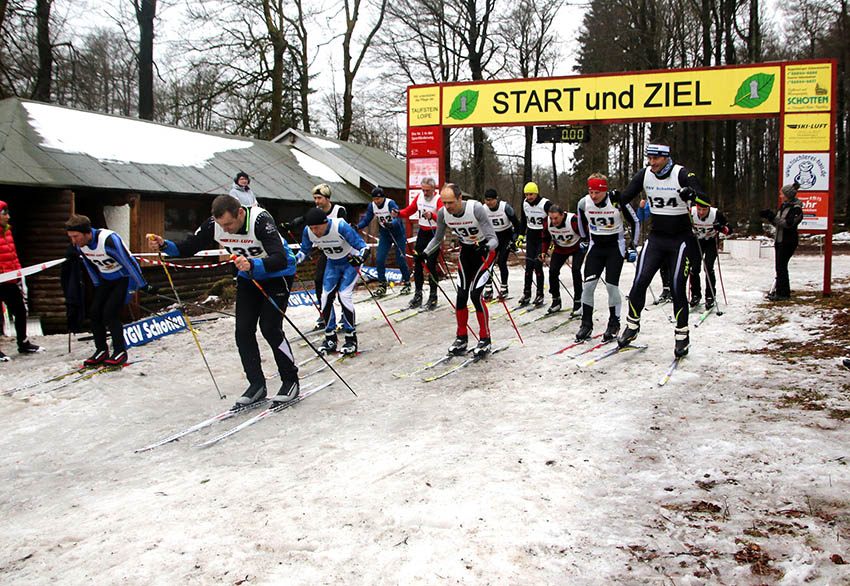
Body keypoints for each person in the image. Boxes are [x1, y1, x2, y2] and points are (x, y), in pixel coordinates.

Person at [148, 195, 300, 408]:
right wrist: (164, 244)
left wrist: (253, 264)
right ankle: (256, 384)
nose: (226, 230)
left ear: (240, 213)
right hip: (249, 276)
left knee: (270, 328)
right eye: (221, 225)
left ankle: (290, 380)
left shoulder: (260, 221)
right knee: (243, 330)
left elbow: (280, 258)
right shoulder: (215, 224)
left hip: (278, 274)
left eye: (229, 224)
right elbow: (189, 247)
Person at [616, 141, 708, 357]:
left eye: (656, 158)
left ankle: (682, 336)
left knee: (677, 287)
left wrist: (691, 194)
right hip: (657, 238)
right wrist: (614, 197)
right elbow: (625, 197)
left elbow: (706, 199)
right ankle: (632, 326)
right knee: (639, 283)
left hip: (681, 240)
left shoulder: (681, 174)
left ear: (666, 158)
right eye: (649, 158)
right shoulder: (645, 174)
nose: (652, 163)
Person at [66, 214, 155, 366]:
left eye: (76, 236)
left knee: (109, 313)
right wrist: (97, 284)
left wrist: (143, 284)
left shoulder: (108, 240)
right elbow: (89, 265)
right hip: (107, 279)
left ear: (87, 233)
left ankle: (120, 352)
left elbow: (128, 262)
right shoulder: (80, 245)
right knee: (94, 312)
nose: (73, 241)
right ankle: (101, 350)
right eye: (71, 237)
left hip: (125, 278)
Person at [423, 183, 497, 358]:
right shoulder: (443, 214)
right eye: (444, 202)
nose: (447, 207)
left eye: (451, 203)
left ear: (460, 199)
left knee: (476, 294)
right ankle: (461, 338)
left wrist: (486, 247)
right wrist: (423, 254)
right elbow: (437, 239)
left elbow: (493, 238)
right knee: (461, 296)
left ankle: (485, 338)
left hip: (484, 254)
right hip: (466, 253)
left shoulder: (476, 208)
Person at [576, 173, 639, 342]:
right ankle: (586, 324)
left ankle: (614, 323)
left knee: (611, 286)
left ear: (604, 190)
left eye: (597, 192)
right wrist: (583, 238)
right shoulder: (584, 203)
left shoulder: (617, 200)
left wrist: (633, 244)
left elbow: (635, 221)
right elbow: (581, 220)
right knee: (588, 286)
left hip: (614, 247)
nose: (593, 196)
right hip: (596, 246)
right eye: (591, 192)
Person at [296, 207, 368, 355]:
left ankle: (350, 339)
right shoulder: (308, 231)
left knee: (344, 295)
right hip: (333, 263)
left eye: (317, 227)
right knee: (325, 297)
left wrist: (360, 258)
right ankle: (330, 338)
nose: (315, 231)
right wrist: (292, 261)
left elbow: (363, 247)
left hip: (350, 262)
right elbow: (304, 251)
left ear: (325, 222)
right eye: (312, 228)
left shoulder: (340, 226)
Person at [0, 200, 41, 360]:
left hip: (10, 280)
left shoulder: (7, 231)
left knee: (20, 311)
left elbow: (13, 255)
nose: (8, 217)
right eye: (5, 214)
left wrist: (18, 273)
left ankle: (23, 343)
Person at [395, 177, 443, 310]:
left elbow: (442, 216)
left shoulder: (438, 199)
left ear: (433, 189)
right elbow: (409, 210)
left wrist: (432, 216)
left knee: (431, 265)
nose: (425, 193)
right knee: (418, 264)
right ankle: (418, 295)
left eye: (428, 190)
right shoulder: (420, 197)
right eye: (423, 190)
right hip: (422, 232)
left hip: (434, 234)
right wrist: (398, 213)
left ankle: (433, 296)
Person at [355, 187, 411, 297]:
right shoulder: (372, 206)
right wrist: (357, 226)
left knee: (400, 259)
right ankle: (382, 285)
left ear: (383, 197)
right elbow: (367, 220)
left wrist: (391, 224)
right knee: (379, 259)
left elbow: (397, 218)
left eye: (379, 199)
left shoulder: (390, 203)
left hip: (397, 234)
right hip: (385, 235)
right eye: (375, 199)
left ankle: (407, 282)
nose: (377, 201)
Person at [760, 182, 803, 301]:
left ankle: (783, 293)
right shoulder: (784, 206)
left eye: (782, 194)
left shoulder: (796, 209)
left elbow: (788, 224)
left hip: (788, 241)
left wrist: (774, 217)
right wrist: (769, 217)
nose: (780, 196)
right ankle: (780, 291)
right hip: (779, 240)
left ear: (787, 195)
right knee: (779, 266)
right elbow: (778, 224)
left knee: (781, 266)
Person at [540, 203, 586, 317]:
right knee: (553, 271)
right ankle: (556, 300)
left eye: (556, 218)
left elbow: (586, 233)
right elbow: (545, 237)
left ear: (562, 215)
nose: (554, 221)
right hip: (560, 248)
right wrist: (544, 251)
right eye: (551, 218)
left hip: (577, 247)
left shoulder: (573, 220)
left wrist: (587, 245)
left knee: (576, 270)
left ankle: (578, 301)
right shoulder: (547, 222)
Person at [516, 181, 552, 307]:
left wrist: (553, 239)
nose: (528, 197)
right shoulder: (525, 203)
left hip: (543, 237)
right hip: (531, 236)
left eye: (531, 194)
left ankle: (540, 294)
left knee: (538, 264)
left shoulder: (545, 204)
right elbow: (523, 220)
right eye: (526, 194)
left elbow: (554, 219)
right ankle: (526, 293)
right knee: (529, 265)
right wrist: (520, 236)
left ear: (536, 193)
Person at [689, 201, 730, 309]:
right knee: (694, 268)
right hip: (697, 242)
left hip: (711, 242)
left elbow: (729, 230)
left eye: (704, 210)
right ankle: (695, 295)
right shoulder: (691, 212)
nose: (701, 212)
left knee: (708, 267)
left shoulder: (716, 214)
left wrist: (721, 228)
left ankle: (710, 296)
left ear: (709, 208)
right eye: (699, 209)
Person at [483, 188, 520, 300]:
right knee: (488, 263)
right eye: (486, 200)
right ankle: (488, 288)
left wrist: (514, 239)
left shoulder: (505, 208)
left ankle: (504, 288)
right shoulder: (483, 209)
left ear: (496, 199)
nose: (488, 202)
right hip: (492, 237)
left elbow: (517, 225)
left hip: (506, 237)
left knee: (502, 261)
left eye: (491, 200)